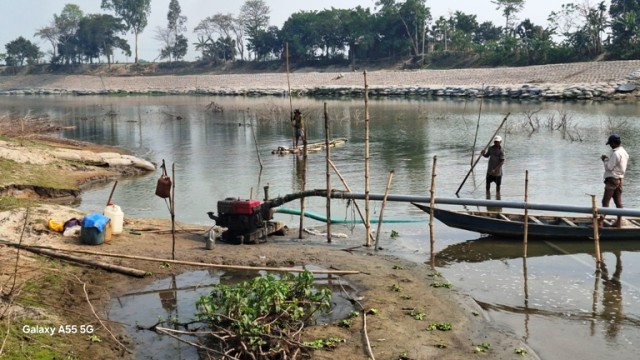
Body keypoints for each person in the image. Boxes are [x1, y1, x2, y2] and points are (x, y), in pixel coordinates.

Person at [599, 134, 629, 228]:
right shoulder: (624, 152)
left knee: (605, 201)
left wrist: (605, 159)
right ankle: (618, 222)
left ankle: (600, 222)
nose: (610, 146)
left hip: (612, 180)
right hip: (620, 179)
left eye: (610, 144)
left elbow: (609, 167)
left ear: (613, 143)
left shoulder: (616, 153)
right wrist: (609, 159)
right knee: (618, 202)